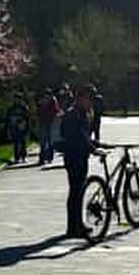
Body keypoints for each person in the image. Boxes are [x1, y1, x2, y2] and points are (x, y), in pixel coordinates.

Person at [61, 85, 94, 238]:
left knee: (78, 192)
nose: (90, 102)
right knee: (75, 192)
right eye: (88, 98)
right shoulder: (73, 114)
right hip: (74, 156)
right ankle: (73, 227)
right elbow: (77, 135)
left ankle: (77, 225)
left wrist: (94, 144)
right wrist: (92, 147)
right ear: (80, 98)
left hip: (81, 156)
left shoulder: (83, 113)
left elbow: (85, 135)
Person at [37, 87, 59, 165]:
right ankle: (43, 157)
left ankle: (48, 157)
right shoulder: (42, 101)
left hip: (50, 122)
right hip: (44, 122)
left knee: (49, 141)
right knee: (44, 141)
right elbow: (38, 111)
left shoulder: (53, 101)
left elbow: (56, 110)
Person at [6, 94, 30, 164]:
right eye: (15, 99)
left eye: (18, 99)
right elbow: (8, 118)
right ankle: (17, 157)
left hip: (22, 126)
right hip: (14, 127)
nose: (17, 100)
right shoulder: (11, 108)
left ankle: (23, 156)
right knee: (16, 142)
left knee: (23, 142)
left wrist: (26, 125)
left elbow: (27, 117)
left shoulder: (24, 107)